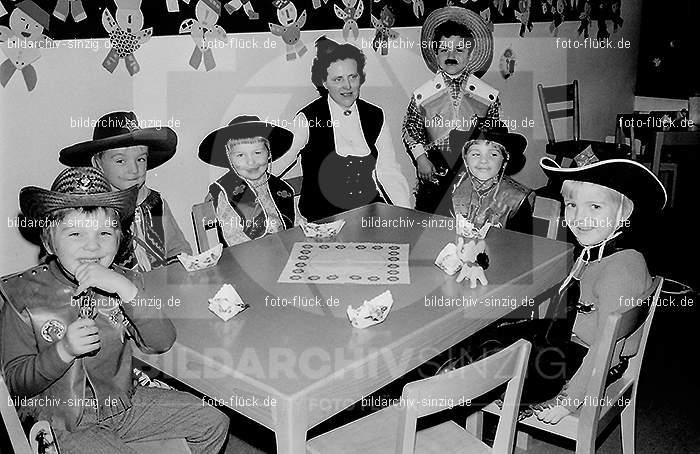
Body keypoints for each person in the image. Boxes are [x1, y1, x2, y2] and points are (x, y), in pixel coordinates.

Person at [0, 167, 229, 453]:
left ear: (120, 239)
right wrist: (63, 351)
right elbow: (16, 383)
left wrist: (128, 291)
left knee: (212, 421)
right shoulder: (21, 295)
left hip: (123, 404)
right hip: (60, 420)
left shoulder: (124, 281)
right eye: (75, 234)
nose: (93, 246)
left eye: (105, 233)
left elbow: (162, 340)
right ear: (49, 241)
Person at [471, 149, 667, 423]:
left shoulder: (621, 268)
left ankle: (474, 417)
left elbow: (605, 349)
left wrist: (567, 401)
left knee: (485, 368)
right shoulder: (592, 252)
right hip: (566, 337)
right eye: (572, 205)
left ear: (625, 213)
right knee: (487, 339)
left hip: (583, 361)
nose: (580, 217)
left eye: (595, 207)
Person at [273, 36, 410, 222]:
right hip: (322, 220)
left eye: (352, 77)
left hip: (367, 215)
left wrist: (407, 215)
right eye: (338, 79)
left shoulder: (375, 116)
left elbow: (389, 171)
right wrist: (242, 186)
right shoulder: (307, 118)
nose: (347, 86)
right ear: (324, 82)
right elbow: (279, 163)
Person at [59, 111, 192, 271]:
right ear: (98, 163)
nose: (134, 170)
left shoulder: (154, 203)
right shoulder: (91, 211)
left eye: (141, 159)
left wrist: (175, 273)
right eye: (120, 161)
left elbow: (178, 250)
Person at [403, 6, 504, 216]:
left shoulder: (488, 95)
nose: (451, 55)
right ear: (436, 53)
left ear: (470, 53)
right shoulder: (423, 94)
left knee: (471, 221)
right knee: (431, 220)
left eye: (459, 50)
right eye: (444, 49)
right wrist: (421, 158)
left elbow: (494, 135)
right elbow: (410, 129)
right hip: (435, 170)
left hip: (473, 171)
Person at [199, 115, 296, 246]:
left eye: (258, 153)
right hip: (249, 256)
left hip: (287, 249)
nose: (251, 161)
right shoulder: (227, 193)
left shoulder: (281, 188)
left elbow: (297, 222)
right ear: (229, 159)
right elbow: (234, 237)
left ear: (269, 154)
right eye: (240, 155)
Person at [451, 129, 534, 234]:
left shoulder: (517, 199)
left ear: (504, 161)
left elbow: (520, 244)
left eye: (493, 154)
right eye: (476, 154)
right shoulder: (453, 190)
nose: (483, 161)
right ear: (466, 159)